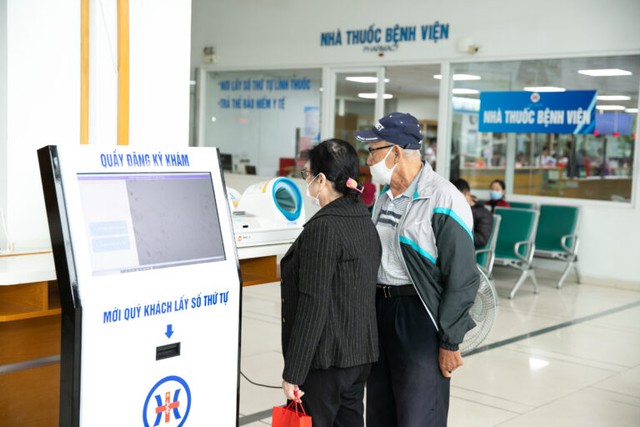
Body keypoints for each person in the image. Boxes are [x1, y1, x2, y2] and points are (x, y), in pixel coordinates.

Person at [354, 112, 480, 426]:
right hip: (381, 311)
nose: (368, 160)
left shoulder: (444, 198)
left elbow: (463, 278)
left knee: (418, 413)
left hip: (418, 316)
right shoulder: (384, 198)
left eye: (373, 151)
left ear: (396, 152)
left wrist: (450, 340)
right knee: (380, 410)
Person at [280, 138, 382, 427]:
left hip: (325, 361)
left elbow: (313, 303)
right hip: (358, 355)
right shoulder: (363, 219)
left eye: (307, 174)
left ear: (322, 179)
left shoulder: (324, 227)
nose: (307, 181)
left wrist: (294, 372)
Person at [453, 178, 494, 248]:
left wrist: (457, 234)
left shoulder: (484, 214)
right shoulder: (455, 210)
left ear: (468, 195)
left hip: (468, 250)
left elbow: (481, 240)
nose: (457, 200)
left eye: (459, 197)